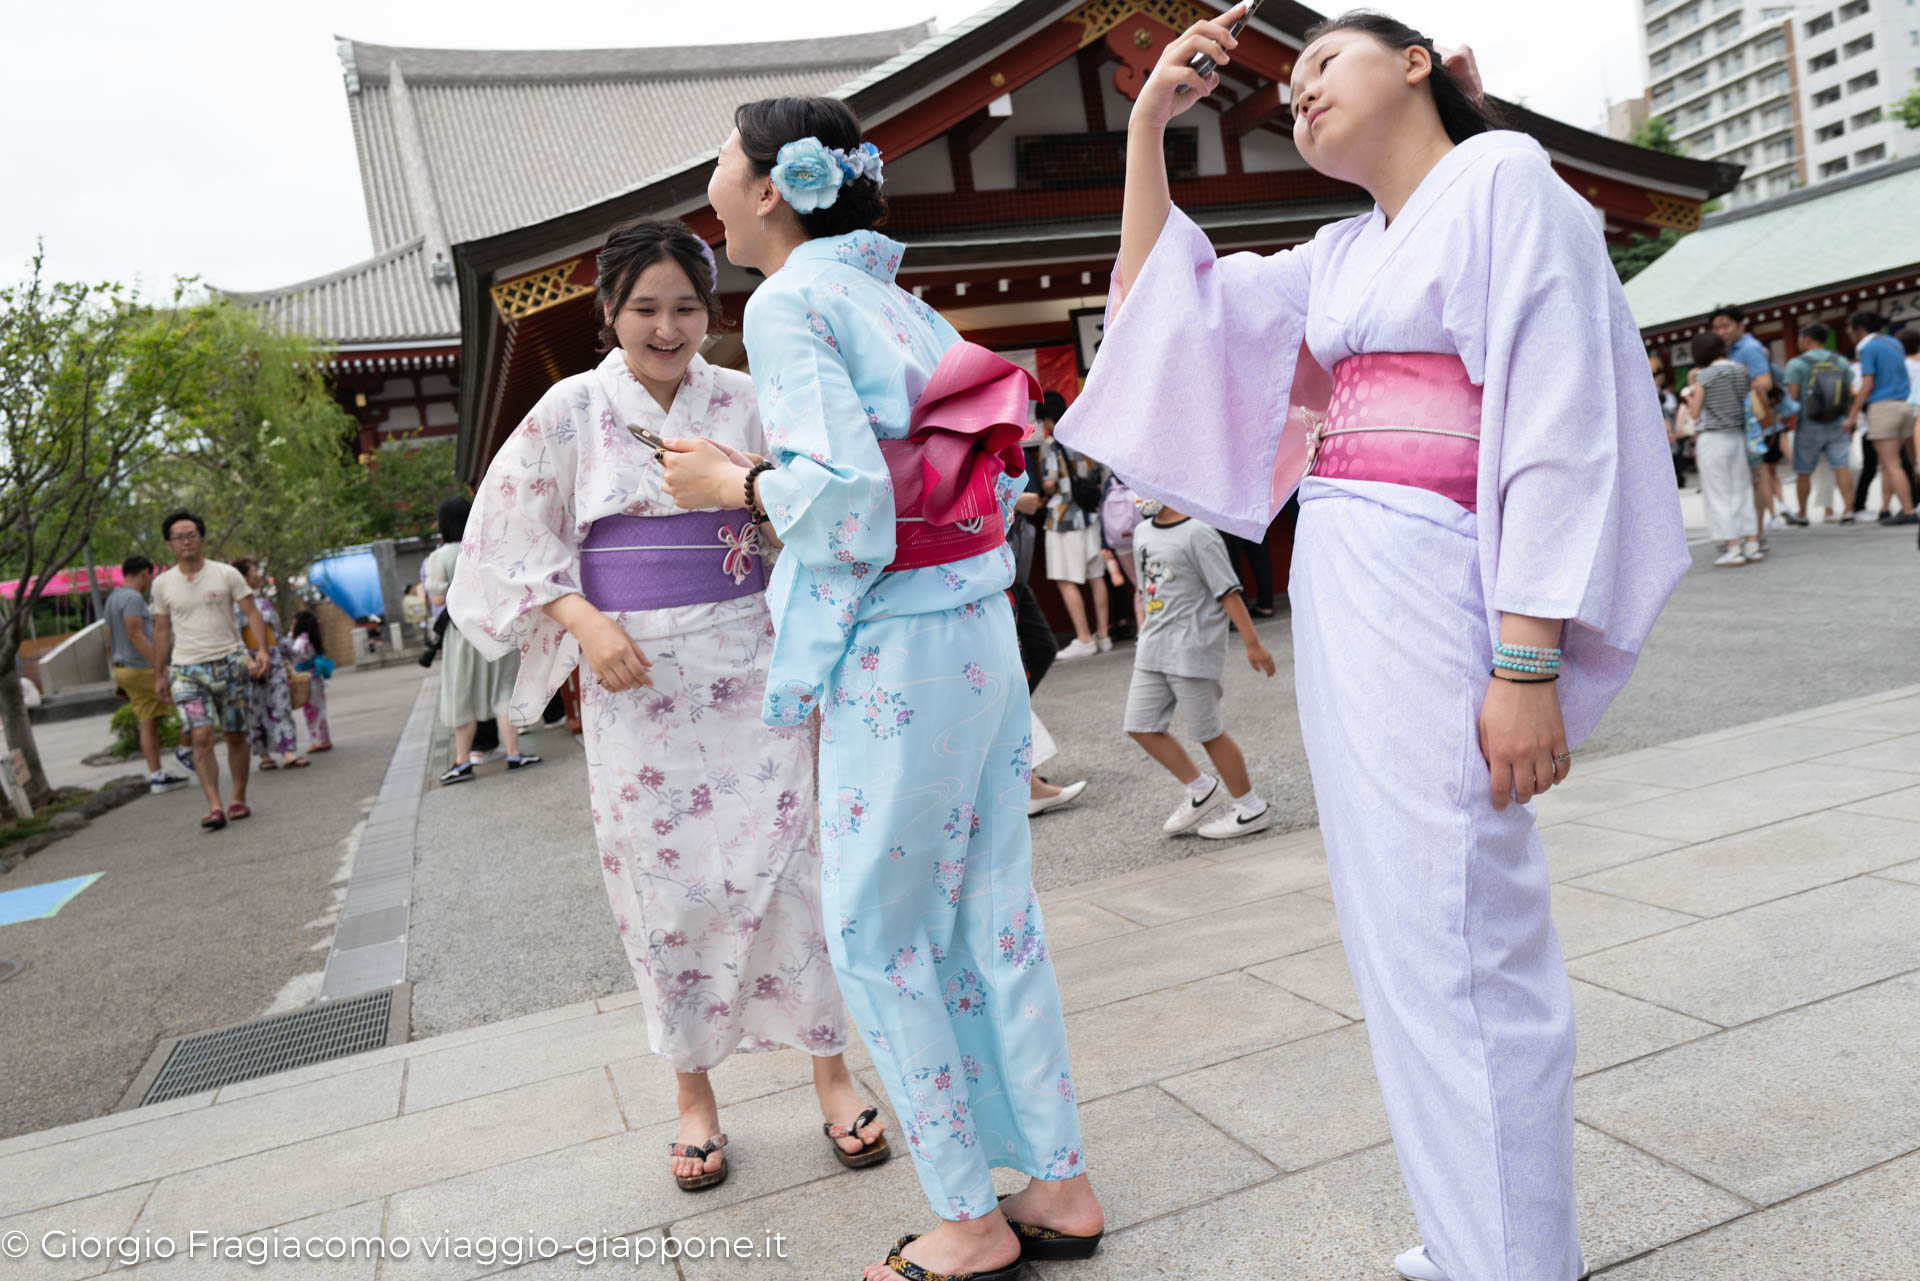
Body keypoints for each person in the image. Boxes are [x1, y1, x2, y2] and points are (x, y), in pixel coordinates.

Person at [1059, 11, 1688, 1280]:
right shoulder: (1345, 252)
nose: (1296, 96)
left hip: (1443, 576)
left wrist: (1527, 663)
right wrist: (1145, 131)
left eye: (1319, 67)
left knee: (1461, 926)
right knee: (1402, 929)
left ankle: (1515, 1256)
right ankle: (1475, 1235)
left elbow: (1557, 426)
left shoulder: (1507, 182)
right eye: (1283, 88)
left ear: (1419, 63)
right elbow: (1165, 312)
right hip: (1355, 571)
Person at [662, 95, 1101, 1281]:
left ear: (767, 188)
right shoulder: (884, 294)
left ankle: (968, 1211)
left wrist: (736, 481)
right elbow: (966, 481)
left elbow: (850, 504)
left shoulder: (795, 298)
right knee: (990, 911)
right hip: (972, 631)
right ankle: (1055, 1177)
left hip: (900, 643)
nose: (707, 184)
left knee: (877, 930)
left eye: (719, 162)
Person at [448, 218, 885, 1192]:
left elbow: (816, 500)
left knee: (793, 871)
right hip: (633, 683)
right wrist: (580, 618)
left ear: (710, 310)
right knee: (671, 896)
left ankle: (831, 1069)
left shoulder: (743, 397)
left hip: (754, 667)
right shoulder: (569, 409)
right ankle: (694, 1096)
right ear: (608, 311)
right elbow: (505, 539)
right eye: (645, 307)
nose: (666, 326)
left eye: (687, 306)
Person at [1125, 501, 1276, 839]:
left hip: (1192, 648)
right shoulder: (1142, 533)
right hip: (1152, 646)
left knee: (1208, 732)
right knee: (1140, 725)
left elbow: (1228, 592)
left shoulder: (1199, 532)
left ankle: (1251, 808)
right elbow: (1145, 591)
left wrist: (1253, 643)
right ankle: (1201, 788)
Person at [150, 510, 274, 831]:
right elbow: (161, 630)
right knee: (201, 734)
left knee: (234, 733)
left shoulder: (226, 574)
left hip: (230, 664)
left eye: (191, 535)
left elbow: (251, 612)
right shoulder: (162, 584)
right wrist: (159, 672)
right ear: (169, 545)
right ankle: (214, 805)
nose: (186, 542)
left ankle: (238, 797)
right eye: (179, 537)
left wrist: (261, 650)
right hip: (187, 671)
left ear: (202, 540)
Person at [425, 498, 541, 783]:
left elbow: (438, 598)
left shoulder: (441, 556)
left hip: (463, 635)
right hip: (497, 628)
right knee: (504, 691)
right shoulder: (490, 546)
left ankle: (462, 763)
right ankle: (514, 754)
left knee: (461, 693)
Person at [104, 555, 189, 793]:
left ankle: (157, 776)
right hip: (143, 667)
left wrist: (116, 672)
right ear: (144, 573)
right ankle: (185, 752)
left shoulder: (112, 599)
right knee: (191, 699)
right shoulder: (132, 598)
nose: (151, 580)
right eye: (150, 575)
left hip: (124, 669)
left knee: (148, 721)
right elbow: (135, 634)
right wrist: (159, 665)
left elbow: (109, 637)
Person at [1036, 391, 1111, 660]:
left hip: (1063, 520)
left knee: (1066, 579)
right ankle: (1103, 635)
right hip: (1090, 517)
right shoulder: (1083, 436)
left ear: (1046, 419)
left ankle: (1083, 638)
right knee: (1096, 576)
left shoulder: (1050, 444)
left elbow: (1049, 482)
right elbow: (1103, 472)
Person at [1684, 332, 1761, 566]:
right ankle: (1752, 544)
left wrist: (1689, 400)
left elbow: (1695, 413)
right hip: (1738, 436)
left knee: (1719, 493)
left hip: (1713, 439)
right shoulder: (1741, 370)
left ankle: (1733, 547)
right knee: (1742, 490)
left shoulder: (1704, 375)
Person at [1711, 304, 1781, 540]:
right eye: (1717, 327)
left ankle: (1756, 533)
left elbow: (1764, 382)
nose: (1721, 332)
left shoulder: (1749, 348)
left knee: (1756, 479)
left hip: (1748, 426)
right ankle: (1746, 532)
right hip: (1734, 424)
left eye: (1726, 326)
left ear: (1741, 325)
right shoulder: (1726, 350)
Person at [231, 559, 308, 772]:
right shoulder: (233, 606)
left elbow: (276, 634)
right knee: (255, 709)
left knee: (281, 705)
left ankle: (287, 751)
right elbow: (234, 636)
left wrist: (286, 659)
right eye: (254, 571)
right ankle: (264, 753)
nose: (258, 576)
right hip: (248, 661)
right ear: (243, 577)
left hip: (272, 657)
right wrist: (247, 659)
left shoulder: (264, 603)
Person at [1844, 311, 1918, 525]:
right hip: (1905, 406)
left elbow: (1868, 383)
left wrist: (1852, 414)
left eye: (1850, 328)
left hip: (1883, 407)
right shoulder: (1894, 343)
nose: (1848, 333)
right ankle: (1886, 508)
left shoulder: (1867, 347)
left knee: (1891, 463)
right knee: (1893, 462)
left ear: (1860, 328)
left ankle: (1908, 510)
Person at [1783, 324, 1856, 526]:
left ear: (1807, 339)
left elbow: (1793, 397)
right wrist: (1850, 416)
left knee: (1804, 470)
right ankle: (1848, 510)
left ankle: (1803, 513)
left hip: (1809, 422)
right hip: (1837, 421)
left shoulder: (1796, 364)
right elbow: (1851, 390)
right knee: (1841, 466)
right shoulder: (1840, 361)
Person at [288, 610, 334, 752]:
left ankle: (318, 740)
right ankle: (322, 739)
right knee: (319, 710)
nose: (292, 625)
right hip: (315, 677)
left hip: (307, 679)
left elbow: (292, 653)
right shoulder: (311, 638)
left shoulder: (301, 640)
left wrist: (289, 634)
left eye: (294, 622)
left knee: (312, 711)